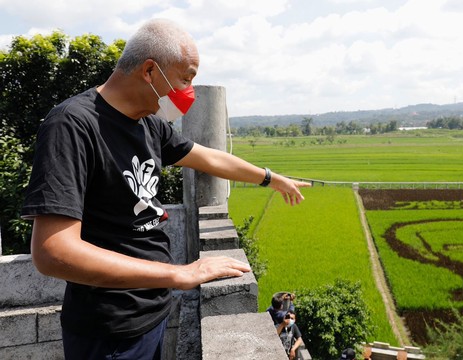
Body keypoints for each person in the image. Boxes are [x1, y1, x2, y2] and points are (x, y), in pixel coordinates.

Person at [20, 18, 310, 360]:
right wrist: (180, 274)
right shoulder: (72, 125)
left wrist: (271, 178)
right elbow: (53, 252)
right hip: (111, 331)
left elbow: (209, 158)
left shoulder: (149, 123)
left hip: (153, 311)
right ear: (149, 71)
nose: (189, 92)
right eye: (186, 78)